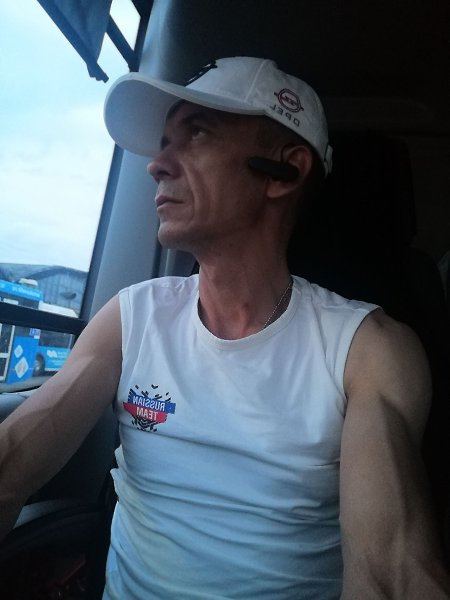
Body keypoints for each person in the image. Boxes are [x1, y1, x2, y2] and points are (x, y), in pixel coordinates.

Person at [0, 56, 449, 599]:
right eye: (163, 142)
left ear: (286, 171)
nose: (156, 164)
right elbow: (15, 456)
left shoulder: (367, 348)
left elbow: (391, 568)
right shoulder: (132, 316)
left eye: (197, 134)